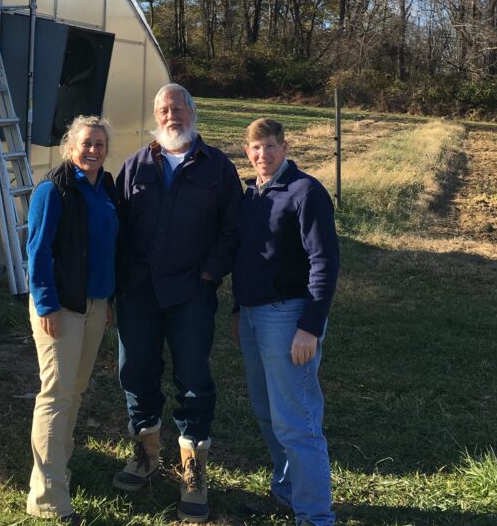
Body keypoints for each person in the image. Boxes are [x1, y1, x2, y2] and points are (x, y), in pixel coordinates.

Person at [112, 83, 242, 523]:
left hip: (192, 291)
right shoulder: (135, 165)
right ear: (156, 116)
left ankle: (193, 471)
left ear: (193, 112)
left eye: (179, 109)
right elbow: (120, 226)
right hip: (140, 292)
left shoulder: (217, 167)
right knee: (135, 370)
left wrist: (210, 272)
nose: (172, 116)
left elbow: (232, 227)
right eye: (164, 110)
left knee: (193, 377)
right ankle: (145, 453)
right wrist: (121, 282)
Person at [232, 117, 340, 526]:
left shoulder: (305, 192)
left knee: (297, 420)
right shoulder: (252, 196)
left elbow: (324, 262)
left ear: (285, 146)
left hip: (289, 317)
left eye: (271, 146)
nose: (264, 155)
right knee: (266, 411)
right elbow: (247, 258)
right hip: (253, 317)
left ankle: (315, 515)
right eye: (256, 148)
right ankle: (287, 491)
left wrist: (310, 326)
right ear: (247, 151)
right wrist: (239, 311)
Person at [25, 115, 120, 524]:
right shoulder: (54, 189)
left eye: (100, 144)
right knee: (57, 395)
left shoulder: (104, 188)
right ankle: (48, 501)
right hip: (61, 305)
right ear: (70, 146)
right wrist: (46, 304)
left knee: (75, 391)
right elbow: (38, 251)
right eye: (86, 143)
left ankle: (58, 471)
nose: (93, 150)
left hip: (95, 304)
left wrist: (108, 299)